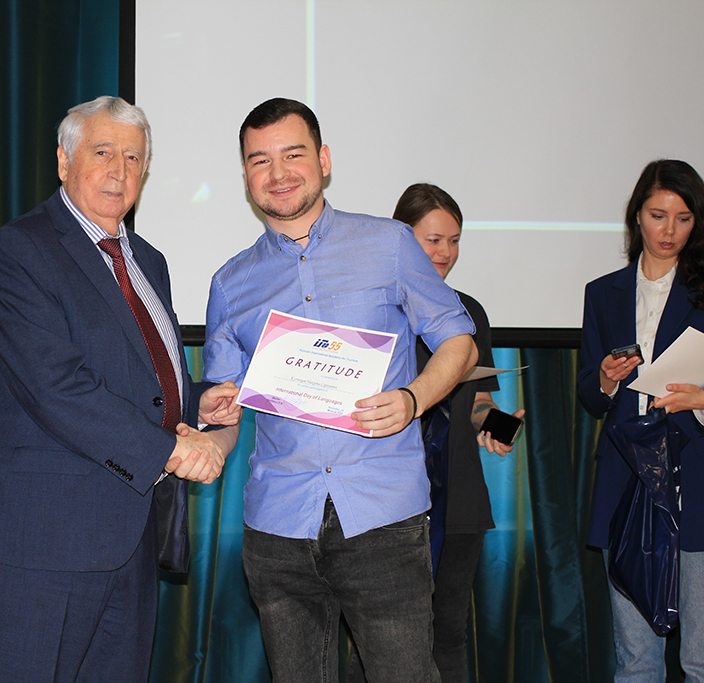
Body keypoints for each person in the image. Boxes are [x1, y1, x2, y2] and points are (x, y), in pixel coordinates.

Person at [0, 95, 241, 683]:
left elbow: (139, 376)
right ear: (64, 161)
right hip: (41, 540)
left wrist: (195, 399)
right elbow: (56, 387)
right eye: (103, 152)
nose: (119, 170)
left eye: (133, 158)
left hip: (129, 538)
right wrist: (171, 450)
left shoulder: (149, 261)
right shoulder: (21, 250)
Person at [202, 97, 478, 682]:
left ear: (323, 160)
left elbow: (459, 342)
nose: (278, 173)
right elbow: (227, 412)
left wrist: (413, 399)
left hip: (382, 517)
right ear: (246, 175)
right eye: (260, 160)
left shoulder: (390, 243)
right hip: (278, 528)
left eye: (293, 154)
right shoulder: (230, 283)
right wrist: (211, 427)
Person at [577, 159, 704, 682]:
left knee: (699, 659)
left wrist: (701, 398)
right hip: (627, 480)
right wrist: (606, 379)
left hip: (694, 479)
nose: (669, 230)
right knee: (635, 659)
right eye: (657, 215)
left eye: (683, 218)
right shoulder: (603, 291)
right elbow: (590, 395)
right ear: (636, 216)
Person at [392, 183, 524, 683]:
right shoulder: (379, 307)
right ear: (403, 238)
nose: (445, 252)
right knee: (383, 638)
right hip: (392, 502)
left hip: (459, 499)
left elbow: (479, 403)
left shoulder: (469, 312)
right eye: (433, 240)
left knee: (448, 633)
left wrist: (500, 427)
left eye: (454, 241)